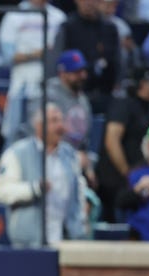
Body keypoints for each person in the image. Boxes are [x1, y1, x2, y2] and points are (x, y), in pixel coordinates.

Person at [0, 103, 88, 247]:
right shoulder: (17, 153)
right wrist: (34, 189)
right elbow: (2, 191)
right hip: (30, 242)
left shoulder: (69, 155)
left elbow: (79, 189)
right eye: (53, 121)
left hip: (67, 238)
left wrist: (82, 219)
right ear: (39, 126)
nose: (60, 126)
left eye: (61, 120)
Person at [0, 0, 66, 145]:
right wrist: (37, 54)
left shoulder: (59, 17)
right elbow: (7, 55)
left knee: (52, 134)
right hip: (23, 88)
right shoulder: (14, 15)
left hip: (53, 87)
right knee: (16, 136)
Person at [96, 66, 149, 223]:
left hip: (137, 178)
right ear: (143, 84)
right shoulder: (124, 104)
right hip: (115, 180)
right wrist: (127, 173)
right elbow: (111, 141)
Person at [52, 0, 121, 114]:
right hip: (75, 93)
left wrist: (117, 83)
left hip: (106, 92)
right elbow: (57, 61)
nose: (89, 3)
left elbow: (118, 61)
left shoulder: (110, 27)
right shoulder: (68, 26)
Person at [47, 49, 95, 185]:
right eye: (77, 72)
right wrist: (71, 157)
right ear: (62, 73)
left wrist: (89, 167)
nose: (83, 76)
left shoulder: (82, 99)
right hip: (52, 162)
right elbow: (46, 136)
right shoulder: (49, 95)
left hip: (76, 162)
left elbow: (85, 139)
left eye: (83, 71)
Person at [118, 123, 149, 241]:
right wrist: (138, 189)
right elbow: (120, 202)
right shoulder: (136, 174)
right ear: (147, 145)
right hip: (139, 237)